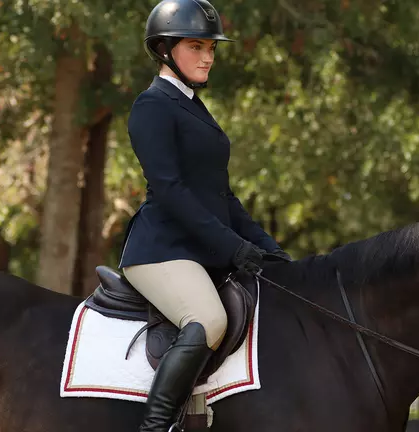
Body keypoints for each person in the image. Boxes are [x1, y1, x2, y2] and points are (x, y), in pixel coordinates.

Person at [117, 0, 291, 430]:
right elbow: (171, 192)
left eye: (211, 47)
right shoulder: (151, 105)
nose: (208, 57)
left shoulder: (193, 106)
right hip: (160, 250)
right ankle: (155, 426)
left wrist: (269, 250)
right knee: (208, 319)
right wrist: (232, 247)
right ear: (164, 50)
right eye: (196, 46)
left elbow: (222, 197)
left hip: (198, 249)